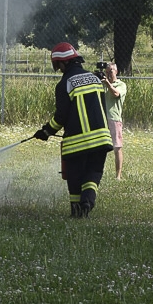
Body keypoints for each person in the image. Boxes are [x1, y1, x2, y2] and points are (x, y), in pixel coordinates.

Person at [33, 43, 114, 217]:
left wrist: (46, 132)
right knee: (93, 173)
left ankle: (77, 212)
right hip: (101, 139)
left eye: (58, 65)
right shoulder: (95, 79)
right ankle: (88, 202)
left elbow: (61, 116)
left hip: (77, 143)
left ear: (63, 63)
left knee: (75, 176)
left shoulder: (65, 84)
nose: (59, 69)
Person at [101, 62, 126, 180]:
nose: (108, 74)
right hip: (101, 119)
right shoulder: (101, 84)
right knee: (99, 147)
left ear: (116, 71)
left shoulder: (121, 84)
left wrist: (108, 84)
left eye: (110, 71)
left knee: (117, 147)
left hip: (114, 119)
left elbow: (116, 94)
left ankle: (118, 176)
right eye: (106, 72)